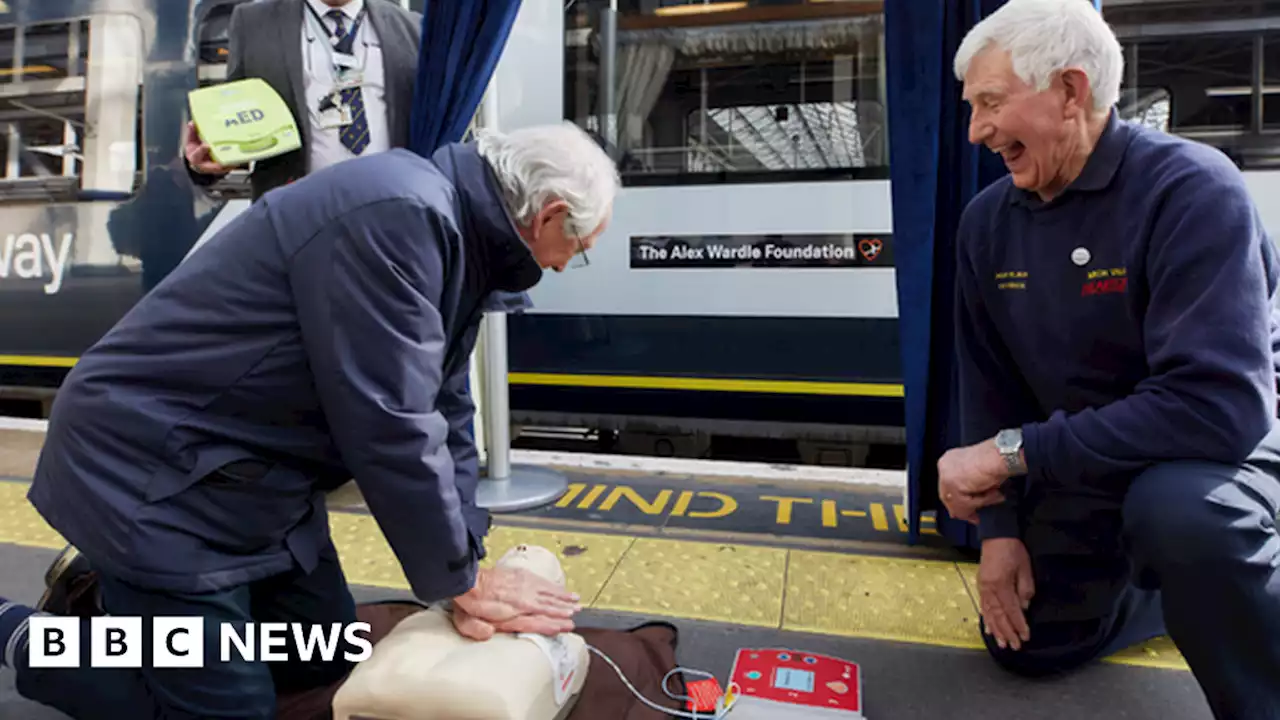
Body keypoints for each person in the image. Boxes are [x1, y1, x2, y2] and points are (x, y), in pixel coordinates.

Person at [0, 121, 620, 719]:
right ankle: (27, 633)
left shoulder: (455, 236)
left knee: (323, 659)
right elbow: (391, 422)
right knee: (228, 712)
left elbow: (446, 407)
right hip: (154, 474)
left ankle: (121, 598)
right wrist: (461, 583)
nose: (566, 266)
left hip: (253, 479)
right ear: (548, 215)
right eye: (578, 250)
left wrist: (467, 553)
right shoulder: (401, 216)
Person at [936, 1, 1280, 717]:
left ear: (1069, 91)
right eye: (972, 108)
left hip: (1222, 455)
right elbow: (990, 388)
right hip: (1089, 460)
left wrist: (1011, 455)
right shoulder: (988, 223)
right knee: (1027, 647)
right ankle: (1169, 588)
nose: (976, 131)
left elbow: (1220, 408)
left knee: (1182, 516)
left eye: (991, 103)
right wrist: (998, 534)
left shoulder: (1191, 189)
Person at [185, 0, 422, 200]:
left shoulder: (411, 28)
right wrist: (207, 161)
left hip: (391, 216)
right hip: (296, 223)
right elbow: (231, 117)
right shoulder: (253, 23)